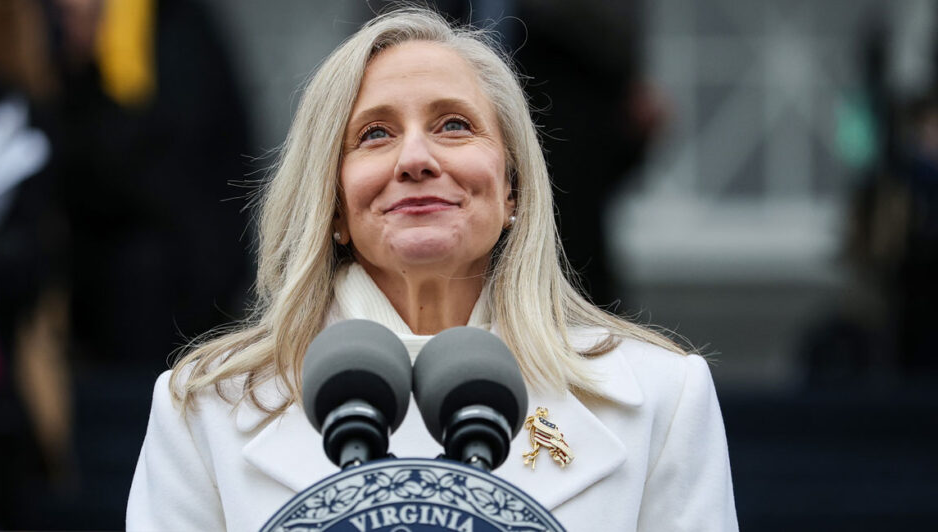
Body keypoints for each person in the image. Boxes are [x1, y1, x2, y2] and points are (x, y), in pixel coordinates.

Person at [127, 8, 737, 531]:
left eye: (454, 125)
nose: (416, 158)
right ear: (333, 204)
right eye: (374, 134)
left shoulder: (661, 399)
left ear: (512, 190)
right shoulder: (204, 410)